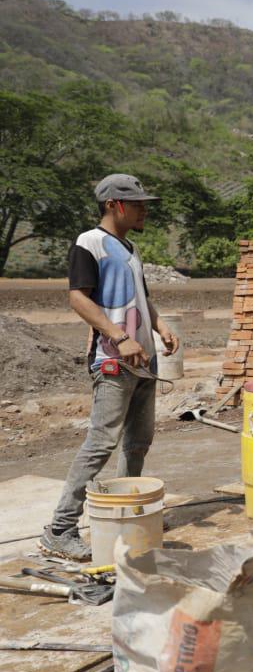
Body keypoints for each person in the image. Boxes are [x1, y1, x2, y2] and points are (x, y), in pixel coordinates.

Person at [41, 174, 180, 561]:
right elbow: (78, 299)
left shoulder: (129, 247)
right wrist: (120, 338)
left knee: (139, 441)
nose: (144, 209)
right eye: (137, 203)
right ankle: (60, 528)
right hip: (113, 361)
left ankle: (128, 511)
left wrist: (161, 327)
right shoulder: (90, 243)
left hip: (143, 361)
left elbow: (142, 298)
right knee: (101, 442)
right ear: (114, 205)